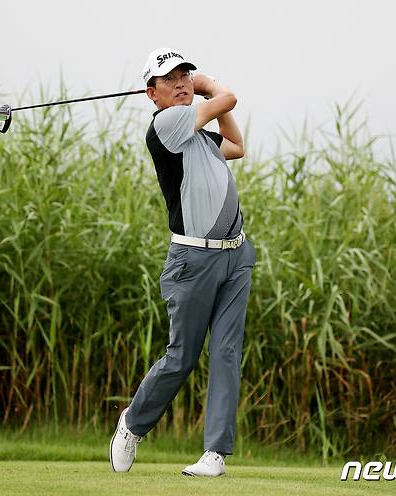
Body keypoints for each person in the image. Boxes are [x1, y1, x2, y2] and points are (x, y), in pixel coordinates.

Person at [109, 47, 256, 477]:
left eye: (185, 76)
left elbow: (237, 146)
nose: (180, 84)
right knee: (182, 357)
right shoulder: (166, 125)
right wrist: (209, 85)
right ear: (151, 93)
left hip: (236, 256)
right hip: (193, 260)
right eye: (169, 79)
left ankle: (215, 454)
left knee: (226, 352)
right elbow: (228, 99)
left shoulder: (200, 136)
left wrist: (207, 94)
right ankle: (133, 423)